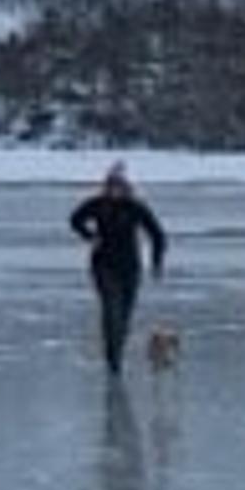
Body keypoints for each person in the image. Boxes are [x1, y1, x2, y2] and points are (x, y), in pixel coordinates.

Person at [68, 161, 169, 375]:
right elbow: (75, 219)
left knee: (124, 315)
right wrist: (89, 236)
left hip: (130, 267)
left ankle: (117, 352)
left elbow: (158, 235)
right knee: (110, 311)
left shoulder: (135, 207)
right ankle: (112, 360)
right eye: (110, 187)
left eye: (118, 188)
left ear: (125, 189)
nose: (114, 192)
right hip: (103, 265)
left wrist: (157, 262)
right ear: (106, 188)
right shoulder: (97, 204)